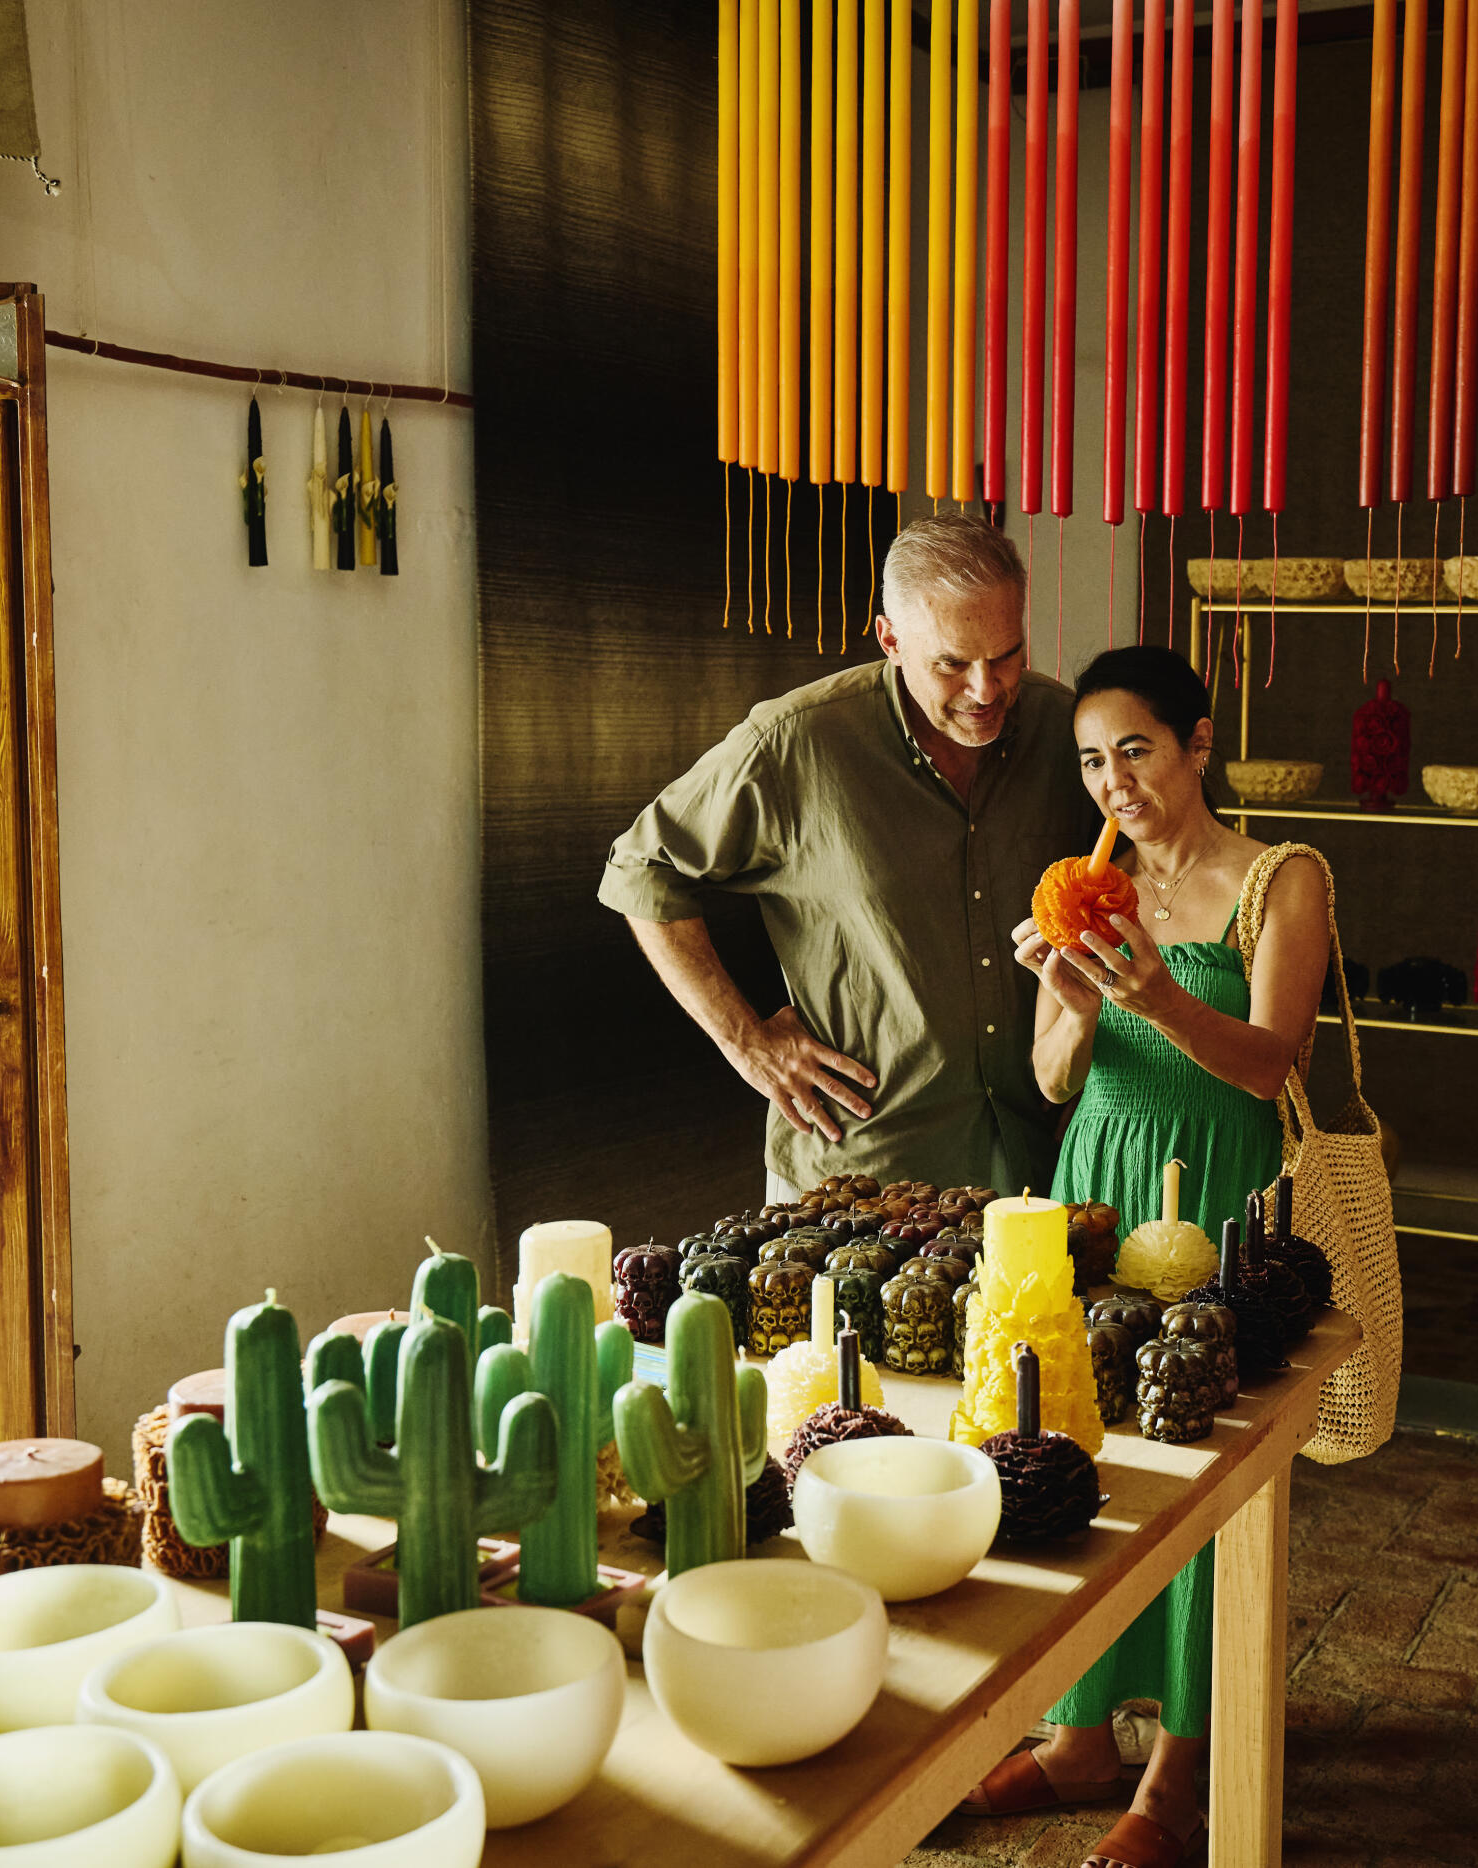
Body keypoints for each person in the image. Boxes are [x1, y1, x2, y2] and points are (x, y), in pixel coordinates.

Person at [964, 644, 1333, 1868]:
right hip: (1097, 1187)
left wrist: (1165, 996)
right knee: (1076, 1438)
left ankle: (1177, 1765)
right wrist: (1067, 993)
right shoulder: (1083, 880)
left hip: (1220, 1191)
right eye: (1089, 759)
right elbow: (1052, 1077)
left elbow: (1272, 1062)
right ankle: (1078, 1735)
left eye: (1135, 749)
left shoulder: (1280, 877)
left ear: (1199, 745)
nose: (1112, 780)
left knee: (1200, 1468)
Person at [599, 515, 1093, 1199]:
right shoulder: (796, 741)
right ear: (891, 639)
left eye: (1007, 655)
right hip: (859, 1176)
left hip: (1043, 1162)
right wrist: (745, 1041)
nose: (987, 690)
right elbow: (640, 869)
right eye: (951, 664)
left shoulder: (1064, 729)